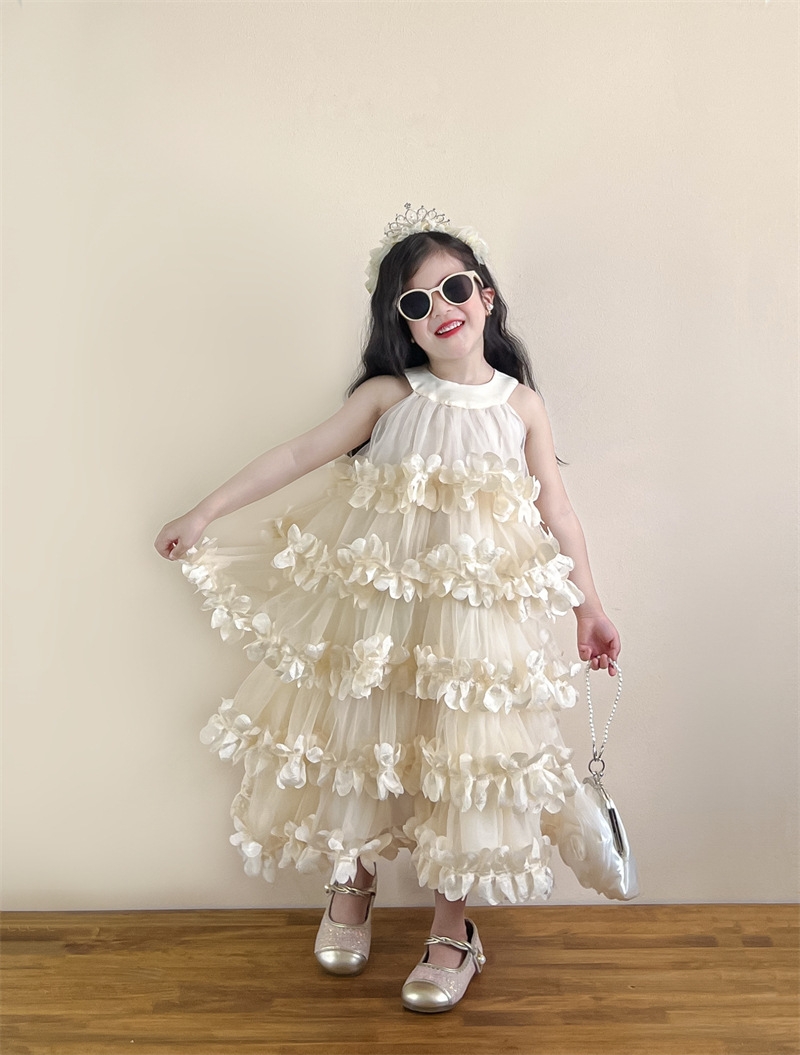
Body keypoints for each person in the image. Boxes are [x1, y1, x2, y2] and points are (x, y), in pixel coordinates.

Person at [154, 204, 621, 1013]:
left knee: (462, 761)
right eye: (416, 301)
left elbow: (559, 509)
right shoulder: (389, 395)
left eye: (454, 288)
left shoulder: (519, 406)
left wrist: (591, 606)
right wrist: (205, 511)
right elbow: (298, 453)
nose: (441, 308)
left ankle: (451, 929)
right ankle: (353, 882)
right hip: (382, 618)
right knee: (363, 739)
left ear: (486, 295)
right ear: (400, 324)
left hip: (471, 629)